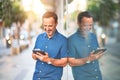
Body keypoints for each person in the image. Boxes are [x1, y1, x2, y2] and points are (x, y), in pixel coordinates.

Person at [68, 11, 104, 80]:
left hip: (97, 77)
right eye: (85, 25)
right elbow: (71, 62)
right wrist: (89, 59)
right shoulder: (71, 40)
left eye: (90, 25)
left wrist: (98, 55)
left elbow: (95, 54)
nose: (88, 28)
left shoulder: (93, 36)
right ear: (78, 23)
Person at [32, 11, 68, 80]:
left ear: (56, 23)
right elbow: (33, 56)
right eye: (45, 25)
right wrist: (35, 55)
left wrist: (49, 60)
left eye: (50, 26)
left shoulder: (63, 40)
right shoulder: (39, 37)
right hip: (36, 77)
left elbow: (64, 62)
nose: (47, 29)